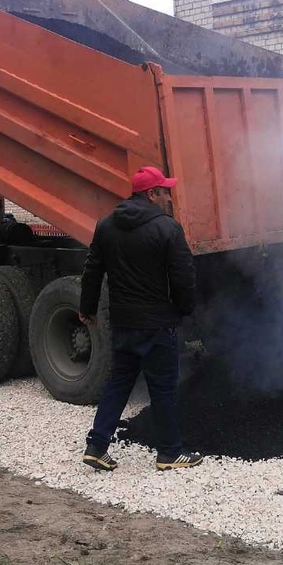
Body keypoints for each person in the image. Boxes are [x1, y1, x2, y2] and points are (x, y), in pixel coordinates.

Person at [79, 165, 203, 472]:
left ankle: (97, 446)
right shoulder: (167, 228)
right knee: (163, 388)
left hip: (123, 322)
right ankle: (170, 453)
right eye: (165, 192)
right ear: (152, 194)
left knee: (119, 382)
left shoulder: (106, 225)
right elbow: (183, 275)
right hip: (158, 324)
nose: (169, 199)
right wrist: (186, 310)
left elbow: (93, 270)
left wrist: (87, 308)